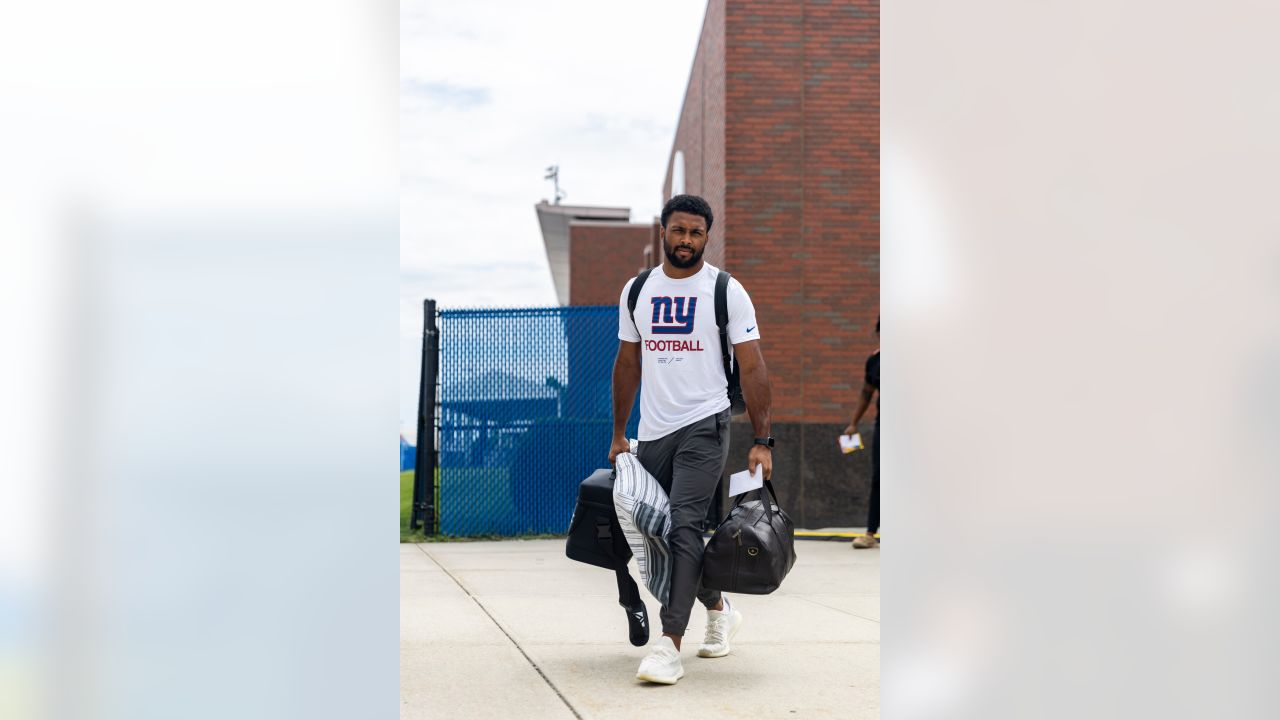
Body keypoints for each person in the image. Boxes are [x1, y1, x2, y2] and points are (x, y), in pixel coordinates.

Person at [608, 193, 774, 685]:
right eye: (678, 230)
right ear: (664, 231)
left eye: (696, 233)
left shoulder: (725, 290)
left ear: (707, 236)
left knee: (683, 527)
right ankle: (720, 609)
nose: (686, 240)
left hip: (707, 423)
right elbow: (628, 363)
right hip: (653, 432)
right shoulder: (637, 290)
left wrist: (764, 439)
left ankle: (669, 645)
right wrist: (619, 433)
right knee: (656, 530)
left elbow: (753, 366)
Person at [844, 318, 880, 549]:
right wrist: (853, 423)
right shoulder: (875, 361)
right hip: (884, 424)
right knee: (879, 477)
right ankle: (870, 533)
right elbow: (866, 393)